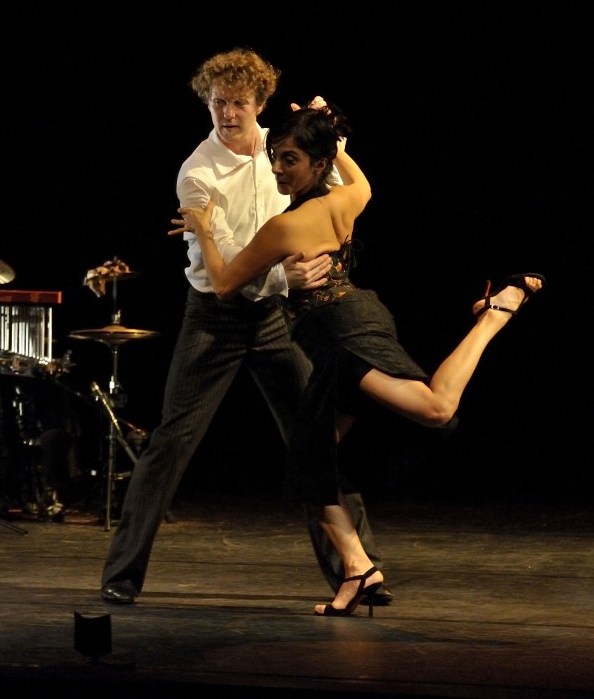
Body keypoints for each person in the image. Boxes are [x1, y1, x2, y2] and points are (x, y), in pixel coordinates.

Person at [175, 103, 545, 616]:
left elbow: (221, 284)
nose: (277, 168)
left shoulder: (286, 226)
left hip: (342, 338)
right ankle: (358, 568)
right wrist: (333, 140)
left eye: (289, 159)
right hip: (352, 322)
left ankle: (495, 314)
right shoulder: (345, 199)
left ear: (317, 164)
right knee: (309, 463)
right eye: (275, 157)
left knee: (436, 409)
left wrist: (202, 227)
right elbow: (363, 184)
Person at [96, 48, 392, 606]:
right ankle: (122, 575)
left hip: (277, 317)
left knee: (314, 441)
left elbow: (334, 190)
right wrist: (284, 271)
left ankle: (359, 572)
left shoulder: (285, 149)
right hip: (216, 316)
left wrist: (331, 136)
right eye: (218, 102)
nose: (228, 113)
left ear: (260, 103)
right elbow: (226, 262)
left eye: (238, 102)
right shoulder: (197, 172)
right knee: (171, 442)